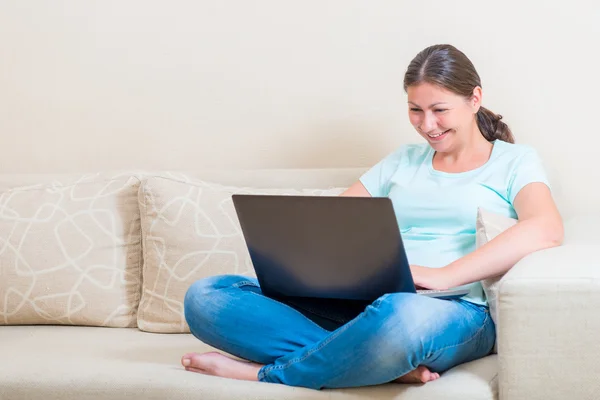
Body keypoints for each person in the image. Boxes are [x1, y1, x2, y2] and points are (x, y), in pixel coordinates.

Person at [180, 44, 564, 389]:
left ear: (474, 98)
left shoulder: (514, 161)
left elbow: (545, 228)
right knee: (207, 297)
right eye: (415, 110)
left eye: (439, 110)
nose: (427, 125)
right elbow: (332, 223)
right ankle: (372, 361)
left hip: (453, 309)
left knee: (399, 317)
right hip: (367, 302)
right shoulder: (402, 160)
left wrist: (442, 275)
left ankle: (265, 373)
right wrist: (307, 268)